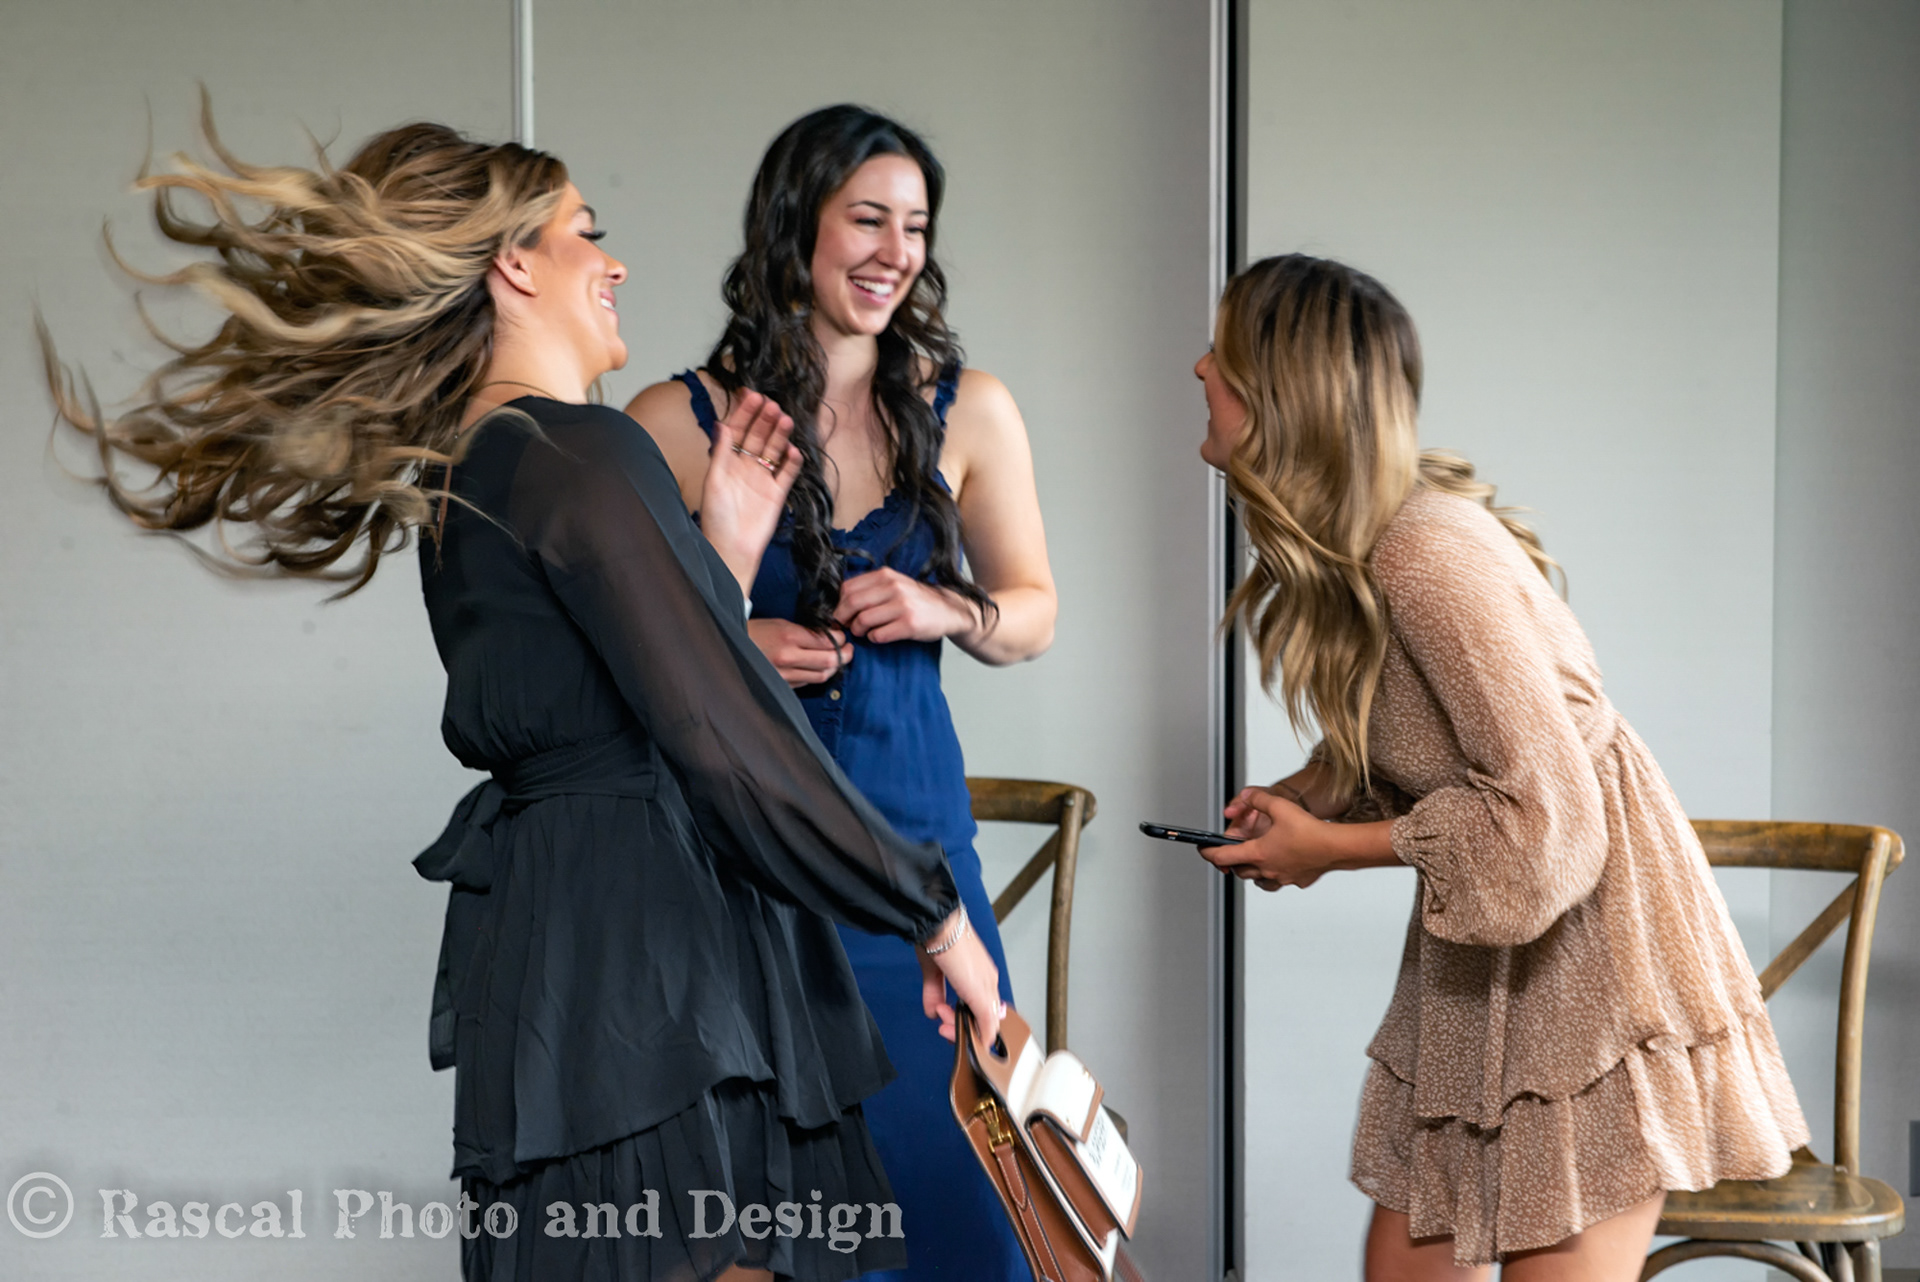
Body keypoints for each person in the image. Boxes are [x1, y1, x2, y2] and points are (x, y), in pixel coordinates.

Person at [40, 112, 1006, 1282]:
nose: (613, 263)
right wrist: (932, 909)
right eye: (584, 235)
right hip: (652, 973)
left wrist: (722, 554)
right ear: (513, 266)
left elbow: (625, 687)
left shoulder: (478, 470)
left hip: (564, 963)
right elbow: (725, 742)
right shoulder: (580, 455)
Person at [1191, 254, 1808, 1281]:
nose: (1199, 366)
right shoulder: (1370, 548)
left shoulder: (1422, 554)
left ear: (1277, 395)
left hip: (1589, 969)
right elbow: (1435, 733)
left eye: (1225, 352)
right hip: (1491, 976)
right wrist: (1313, 793)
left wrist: (1329, 851)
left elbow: (1548, 825)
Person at [626, 105, 1056, 1280]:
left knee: (966, 1211)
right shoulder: (673, 423)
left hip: (921, 874)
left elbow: (1034, 613)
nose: (894, 250)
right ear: (791, 229)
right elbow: (619, 652)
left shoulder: (973, 408)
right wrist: (735, 640)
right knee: (767, 1232)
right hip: (740, 884)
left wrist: (945, 608)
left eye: (914, 226)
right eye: (866, 217)